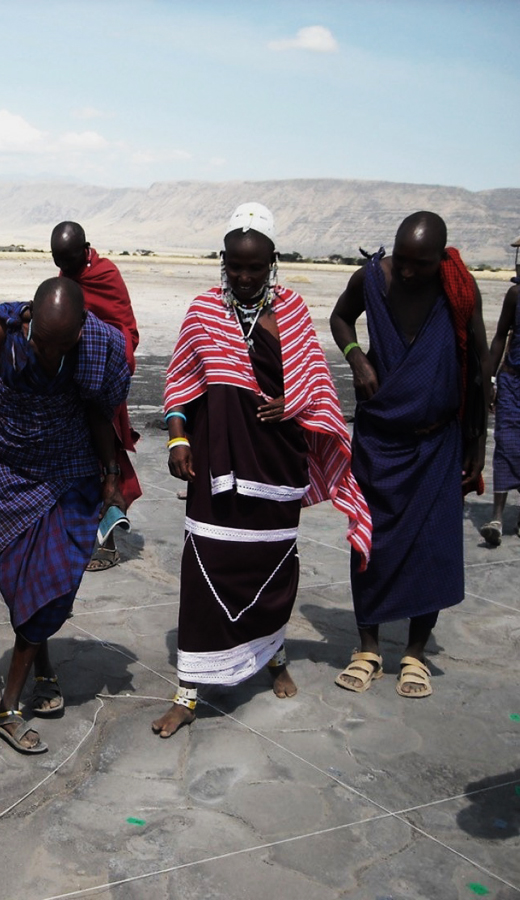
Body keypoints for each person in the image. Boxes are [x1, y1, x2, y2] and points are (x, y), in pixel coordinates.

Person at [152, 203, 372, 738]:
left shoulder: (293, 311)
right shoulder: (203, 311)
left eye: (256, 267)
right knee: (204, 570)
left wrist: (291, 401)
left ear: (273, 262)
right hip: (216, 466)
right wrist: (180, 438)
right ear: (222, 262)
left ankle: (272, 656)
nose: (245, 277)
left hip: (276, 464)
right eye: (235, 266)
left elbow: (319, 388)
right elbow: (181, 384)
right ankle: (188, 691)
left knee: (272, 568)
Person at [0, 276, 130, 754]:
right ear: (29, 318)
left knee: (50, 587)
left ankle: (7, 709)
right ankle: (42, 665)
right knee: (24, 586)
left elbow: (99, 412)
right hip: (4, 471)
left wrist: (111, 474)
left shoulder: (94, 345)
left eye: (62, 345)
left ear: (79, 331)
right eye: (43, 345)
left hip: (69, 470)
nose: (51, 355)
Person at [330, 211, 489, 699]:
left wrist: (477, 448)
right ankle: (368, 647)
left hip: (439, 441)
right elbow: (340, 318)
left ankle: (415, 653)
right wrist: (356, 355)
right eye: (401, 259)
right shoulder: (370, 279)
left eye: (419, 264)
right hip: (380, 439)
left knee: (433, 548)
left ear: (440, 259)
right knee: (369, 542)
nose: (406, 272)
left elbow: (480, 369)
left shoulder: (459, 290)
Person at [51, 221, 143, 570]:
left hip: (103, 380)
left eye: (72, 262)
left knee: (104, 459)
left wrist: (96, 347)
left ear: (86, 248)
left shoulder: (106, 274)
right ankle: (73, 537)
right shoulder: (64, 277)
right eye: (60, 262)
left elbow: (127, 330)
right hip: (71, 382)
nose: (68, 269)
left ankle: (106, 544)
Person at [480, 241, 520, 545]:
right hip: (513, 383)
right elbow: (499, 338)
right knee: (506, 445)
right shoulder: (517, 295)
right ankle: (496, 516)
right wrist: (490, 380)